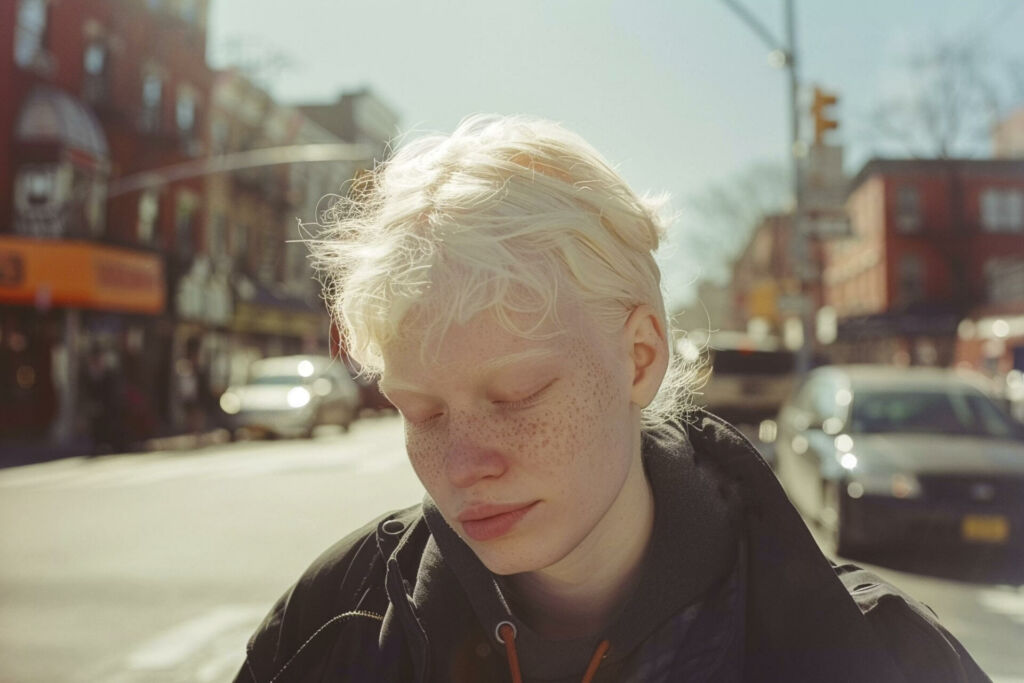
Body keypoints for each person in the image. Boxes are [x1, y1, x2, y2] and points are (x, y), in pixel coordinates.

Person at [234, 115, 989, 683]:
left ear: (640, 357)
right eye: (421, 411)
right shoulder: (335, 622)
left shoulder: (874, 652)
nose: (463, 464)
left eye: (518, 395)